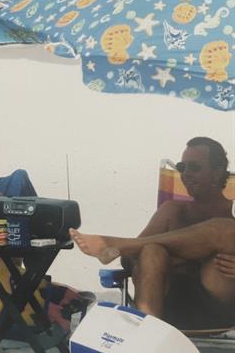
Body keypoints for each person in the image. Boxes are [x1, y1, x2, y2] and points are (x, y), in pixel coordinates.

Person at [70, 137, 235, 329]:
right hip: (164, 306)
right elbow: (128, 260)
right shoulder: (172, 211)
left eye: (195, 167)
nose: (186, 174)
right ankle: (148, 334)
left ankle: (117, 244)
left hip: (220, 306)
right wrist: (176, 255)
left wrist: (176, 256)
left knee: (225, 229)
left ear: (217, 172)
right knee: (151, 250)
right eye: (182, 167)